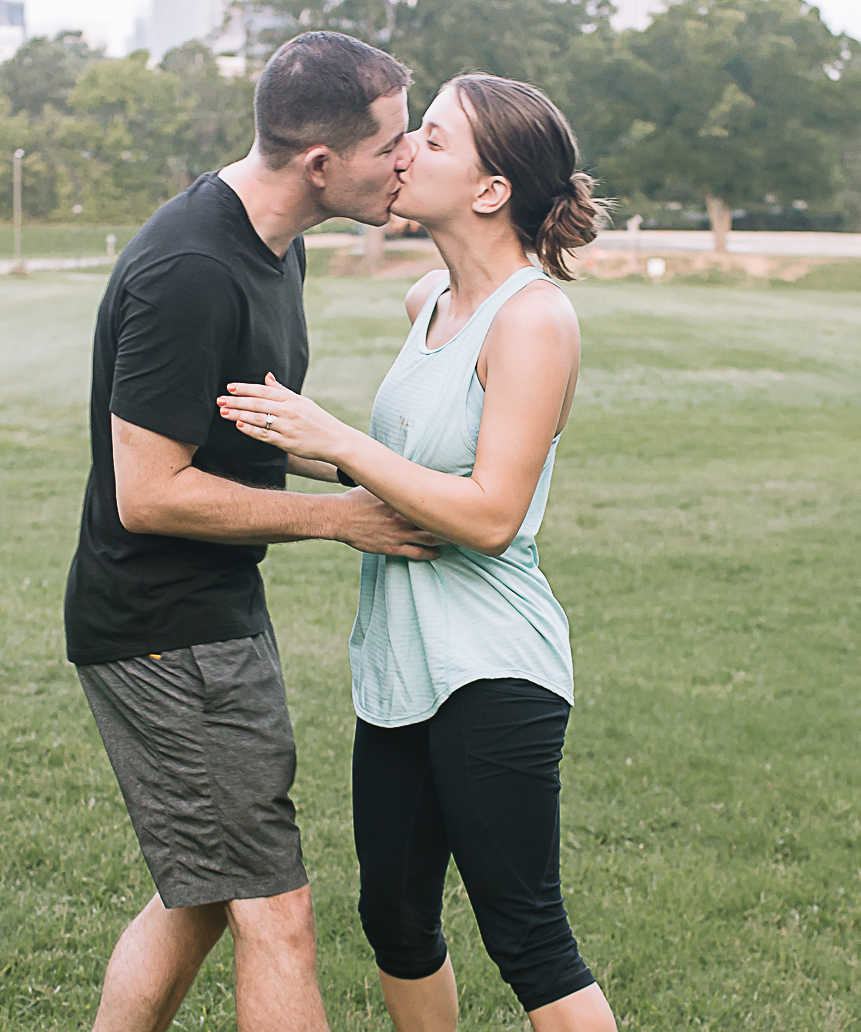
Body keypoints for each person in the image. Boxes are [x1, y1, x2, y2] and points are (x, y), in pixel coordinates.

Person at [219, 74, 620, 1031]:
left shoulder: (533, 319)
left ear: (491, 190)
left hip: (492, 665)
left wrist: (337, 440)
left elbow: (488, 515)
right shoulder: (426, 296)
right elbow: (409, 475)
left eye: (432, 142)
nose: (404, 154)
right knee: (394, 916)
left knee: (526, 934)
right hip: (398, 666)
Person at [65, 31, 442, 1032]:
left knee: (200, 895)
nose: (406, 160)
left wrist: (398, 476)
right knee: (276, 913)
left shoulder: (275, 245)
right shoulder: (191, 266)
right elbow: (149, 492)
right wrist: (341, 520)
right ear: (320, 166)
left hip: (210, 612)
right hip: (162, 627)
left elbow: (257, 431)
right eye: (391, 144)